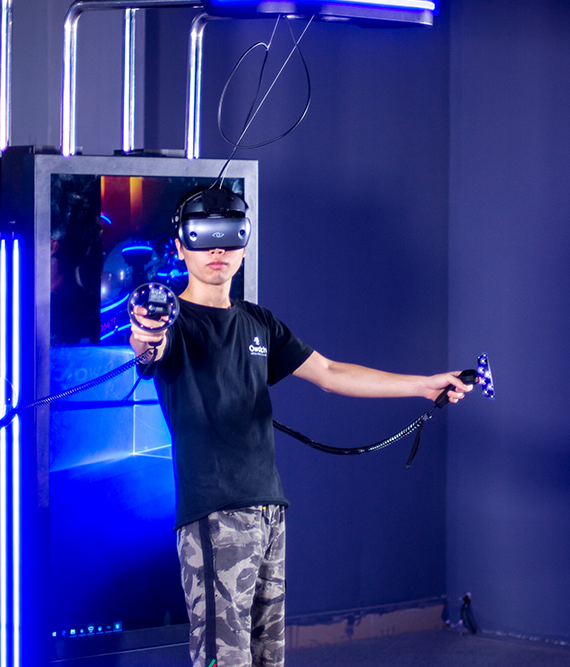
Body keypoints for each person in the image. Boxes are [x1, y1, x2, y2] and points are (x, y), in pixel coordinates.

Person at [128, 188, 472, 667]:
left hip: (269, 509)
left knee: (268, 658)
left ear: (244, 245)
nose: (217, 249)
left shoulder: (258, 322)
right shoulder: (177, 324)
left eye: (229, 235)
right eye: (203, 235)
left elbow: (329, 373)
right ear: (181, 246)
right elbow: (149, 346)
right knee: (224, 659)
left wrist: (423, 385)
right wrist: (147, 327)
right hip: (214, 513)